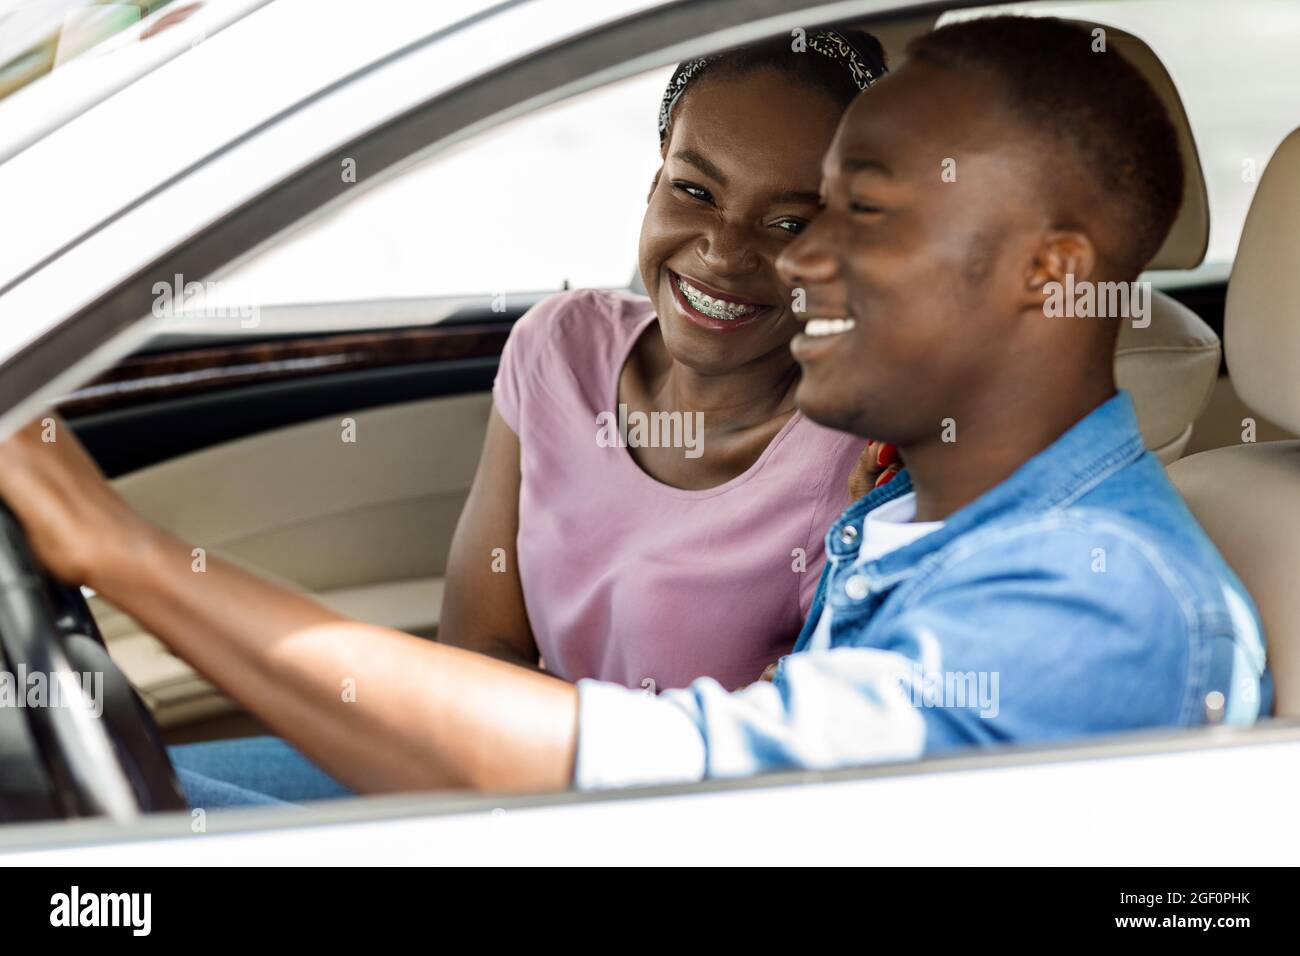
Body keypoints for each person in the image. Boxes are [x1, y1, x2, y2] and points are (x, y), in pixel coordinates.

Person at [0, 15, 1270, 806]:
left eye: (856, 213)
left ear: (1047, 273)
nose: (794, 257)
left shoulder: (1097, 600)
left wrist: (127, 552)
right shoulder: (917, 516)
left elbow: (669, 790)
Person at [439, 30, 894, 694]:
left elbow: (801, 735)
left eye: (791, 223)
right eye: (696, 191)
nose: (723, 253)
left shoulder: (860, 459)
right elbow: (475, 653)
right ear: (656, 180)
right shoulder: (558, 347)